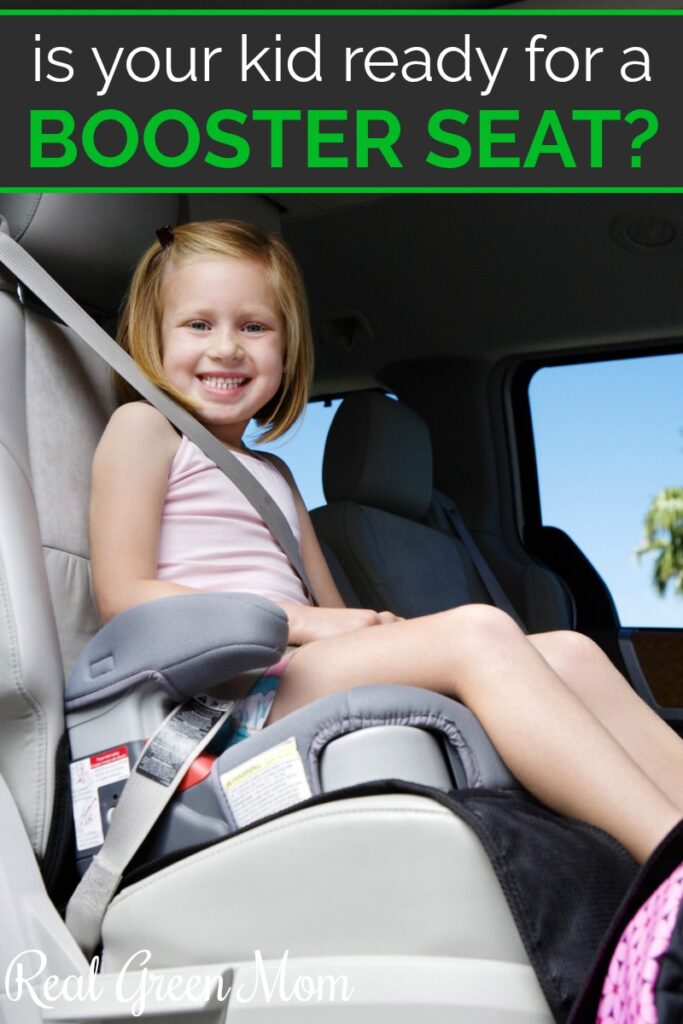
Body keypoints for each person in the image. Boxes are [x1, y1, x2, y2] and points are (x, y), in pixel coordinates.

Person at [90, 219, 683, 867]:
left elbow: (334, 608)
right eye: (198, 325)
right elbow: (125, 599)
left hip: (290, 674)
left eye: (254, 327)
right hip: (217, 692)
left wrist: (365, 629)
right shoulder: (142, 429)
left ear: (286, 351)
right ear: (151, 338)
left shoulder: (275, 476)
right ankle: (666, 863)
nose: (227, 348)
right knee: (478, 632)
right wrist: (310, 622)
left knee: (569, 652)